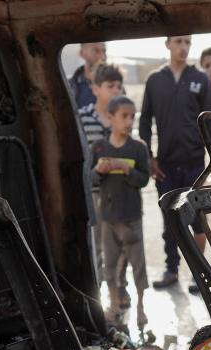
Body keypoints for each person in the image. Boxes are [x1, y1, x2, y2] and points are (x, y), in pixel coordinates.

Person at [139, 35, 211, 293]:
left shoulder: (199, 79)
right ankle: (171, 269)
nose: (183, 47)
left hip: (196, 164)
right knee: (169, 220)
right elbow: (144, 122)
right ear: (167, 44)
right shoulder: (155, 80)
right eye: (178, 42)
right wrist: (149, 157)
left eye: (187, 42)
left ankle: (200, 272)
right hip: (165, 165)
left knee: (198, 219)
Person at [91, 96, 151, 326]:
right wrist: (98, 169)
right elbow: (90, 178)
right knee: (110, 265)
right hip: (108, 217)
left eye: (132, 117)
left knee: (138, 266)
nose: (128, 121)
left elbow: (144, 180)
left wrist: (127, 170)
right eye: (124, 116)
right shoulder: (99, 147)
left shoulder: (138, 148)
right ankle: (114, 306)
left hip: (131, 218)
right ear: (110, 118)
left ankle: (141, 307)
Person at [79, 63, 130, 306]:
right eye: (110, 86)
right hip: (96, 193)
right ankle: (98, 292)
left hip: (120, 191)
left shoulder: (123, 117)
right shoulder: (82, 117)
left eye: (119, 86)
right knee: (97, 244)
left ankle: (121, 288)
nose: (116, 91)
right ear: (95, 88)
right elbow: (80, 157)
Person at [69, 42, 107, 110]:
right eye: (96, 51)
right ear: (82, 53)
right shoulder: (68, 86)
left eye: (104, 51)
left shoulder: (115, 85)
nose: (102, 57)